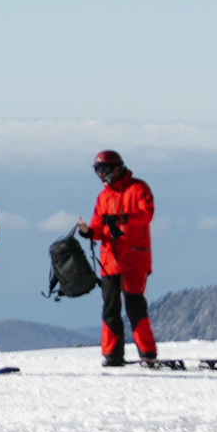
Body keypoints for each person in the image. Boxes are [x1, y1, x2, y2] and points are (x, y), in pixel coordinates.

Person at [77, 148, 155, 367]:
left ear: (116, 168)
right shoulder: (103, 197)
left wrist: (123, 218)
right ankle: (112, 355)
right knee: (110, 308)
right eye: (98, 171)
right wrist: (87, 232)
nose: (101, 176)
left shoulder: (138, 188)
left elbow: (146, 214)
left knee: (134, 306)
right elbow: (97, 227)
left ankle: (147, 353)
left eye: (103, 170)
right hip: (110, 259)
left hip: (134, 259)